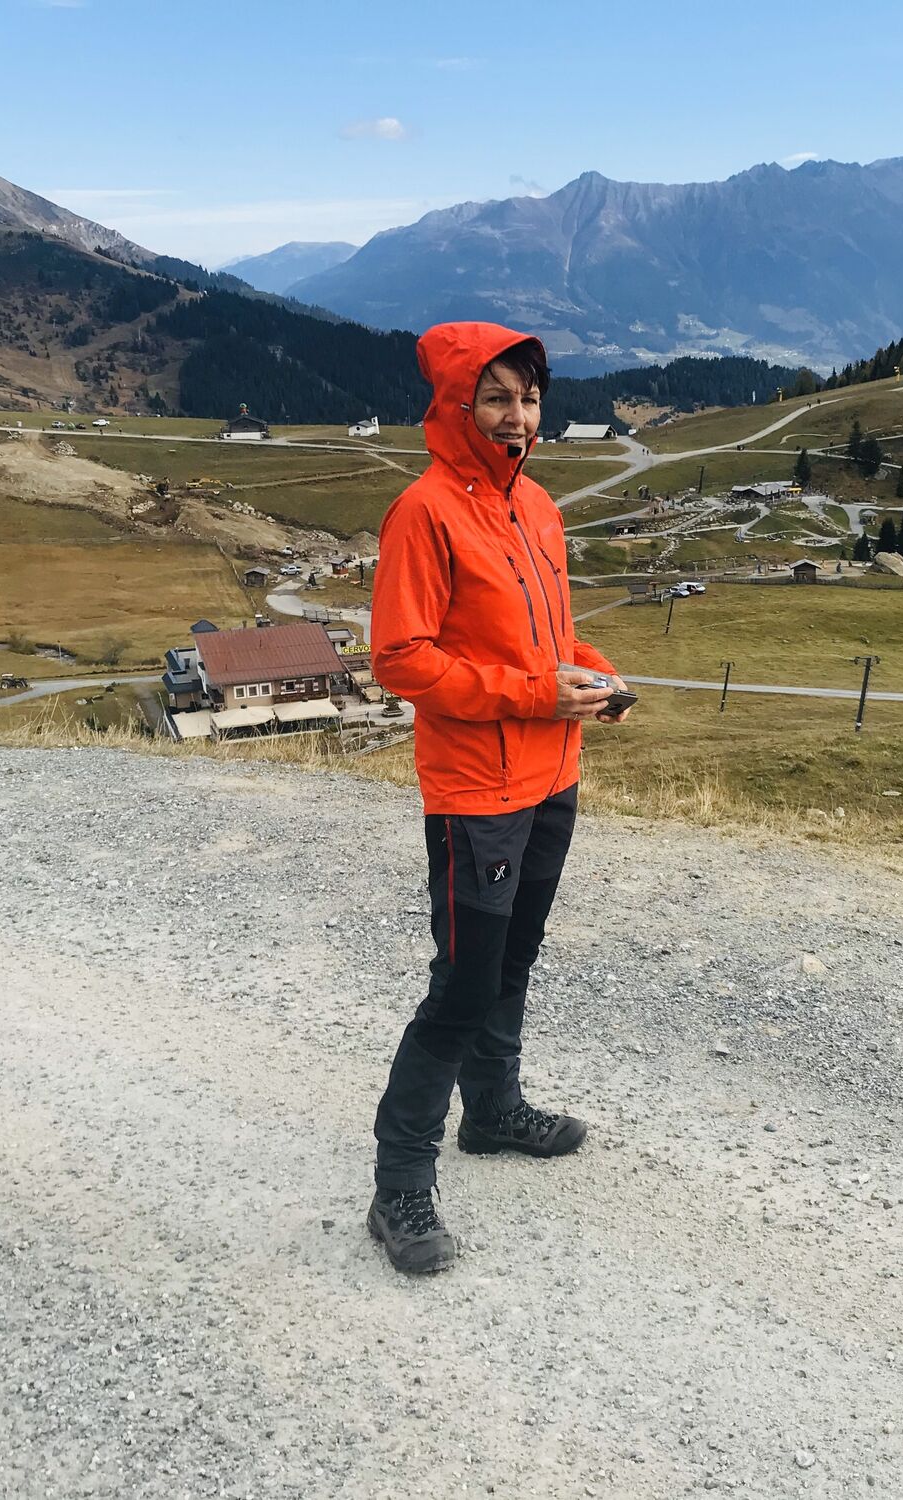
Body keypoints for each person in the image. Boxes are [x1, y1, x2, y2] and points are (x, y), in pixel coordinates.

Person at [365, 321, 630, 1274]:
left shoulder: (538, 507)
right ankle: (399, 1185)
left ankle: (492, 1110)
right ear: (457, 405)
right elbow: (400, 659)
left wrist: (594, 674)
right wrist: (531, 694)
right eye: (497, 398)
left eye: (529, 398)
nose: (517, 416)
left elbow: (549, 640)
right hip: (477, 789)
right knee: (464, 985)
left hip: (553, 775)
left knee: (514, 958)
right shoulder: (424, 512)